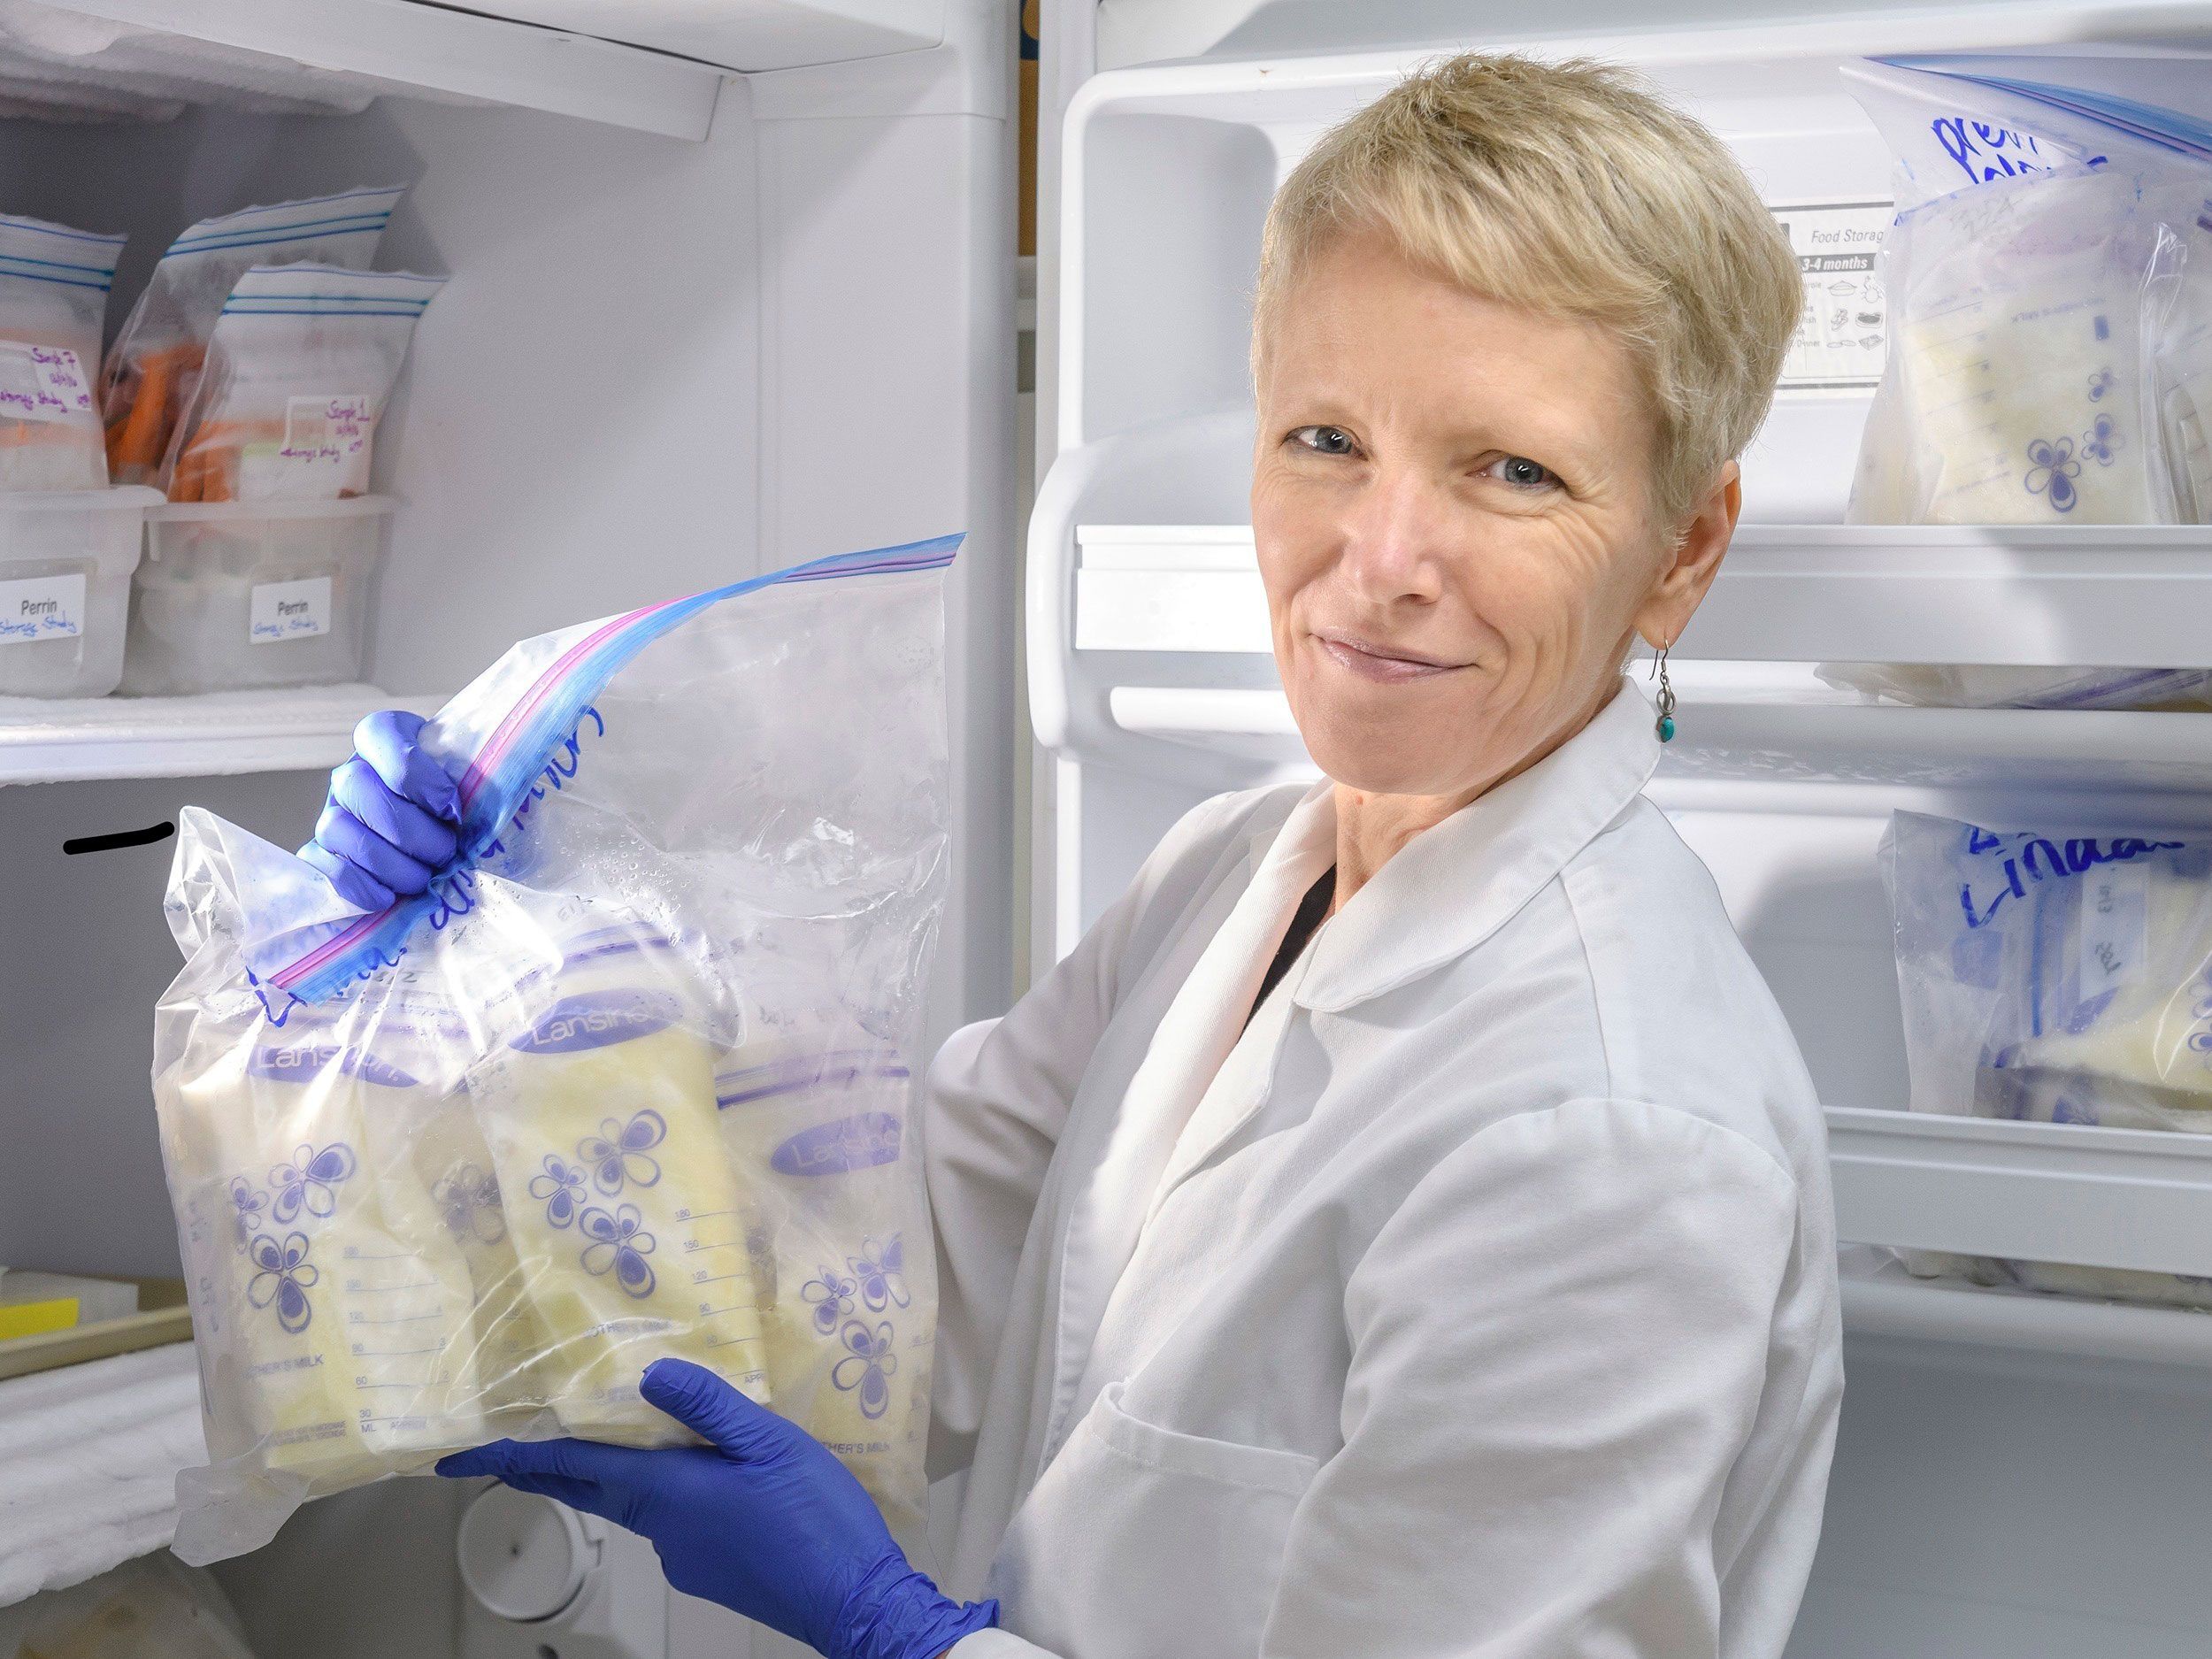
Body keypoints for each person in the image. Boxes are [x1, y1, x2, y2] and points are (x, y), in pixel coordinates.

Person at [321, 52, 1840, 1659]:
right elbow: (872, 1276)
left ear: (1684, 548)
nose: (1380, 560)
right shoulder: (1237, 872)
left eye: (1513, 470)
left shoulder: (1616, 1137)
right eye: (1326, 438)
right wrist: (494, 968)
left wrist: (905, 1639)